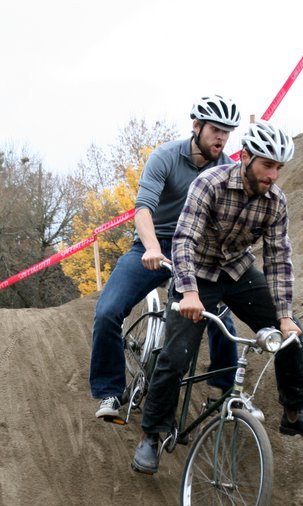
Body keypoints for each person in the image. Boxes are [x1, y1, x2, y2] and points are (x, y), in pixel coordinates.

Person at [132, 120, 303, 475]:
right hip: (196, 273)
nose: (273, 175)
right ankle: (151, 435)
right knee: (176, 355)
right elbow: (184, 240)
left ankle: (294, 412)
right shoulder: (210, 184)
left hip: (236, 272)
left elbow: (278, 260)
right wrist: (189, 292)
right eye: (267, 165)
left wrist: (285, 316)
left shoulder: (275, 202)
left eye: (279, 167)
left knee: (291, 334)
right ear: (247, 158)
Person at [91, 95, 242, 421]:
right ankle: (110, 390)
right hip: (153, 244)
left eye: (227, 132)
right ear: (196, 126)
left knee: (221, 316)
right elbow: (143, 208)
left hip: (197, 251)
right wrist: (150, 247)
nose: (221, 138)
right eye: (215, 130)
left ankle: (223, 392)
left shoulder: (228, 169)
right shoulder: (165, 157)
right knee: (107, 312)